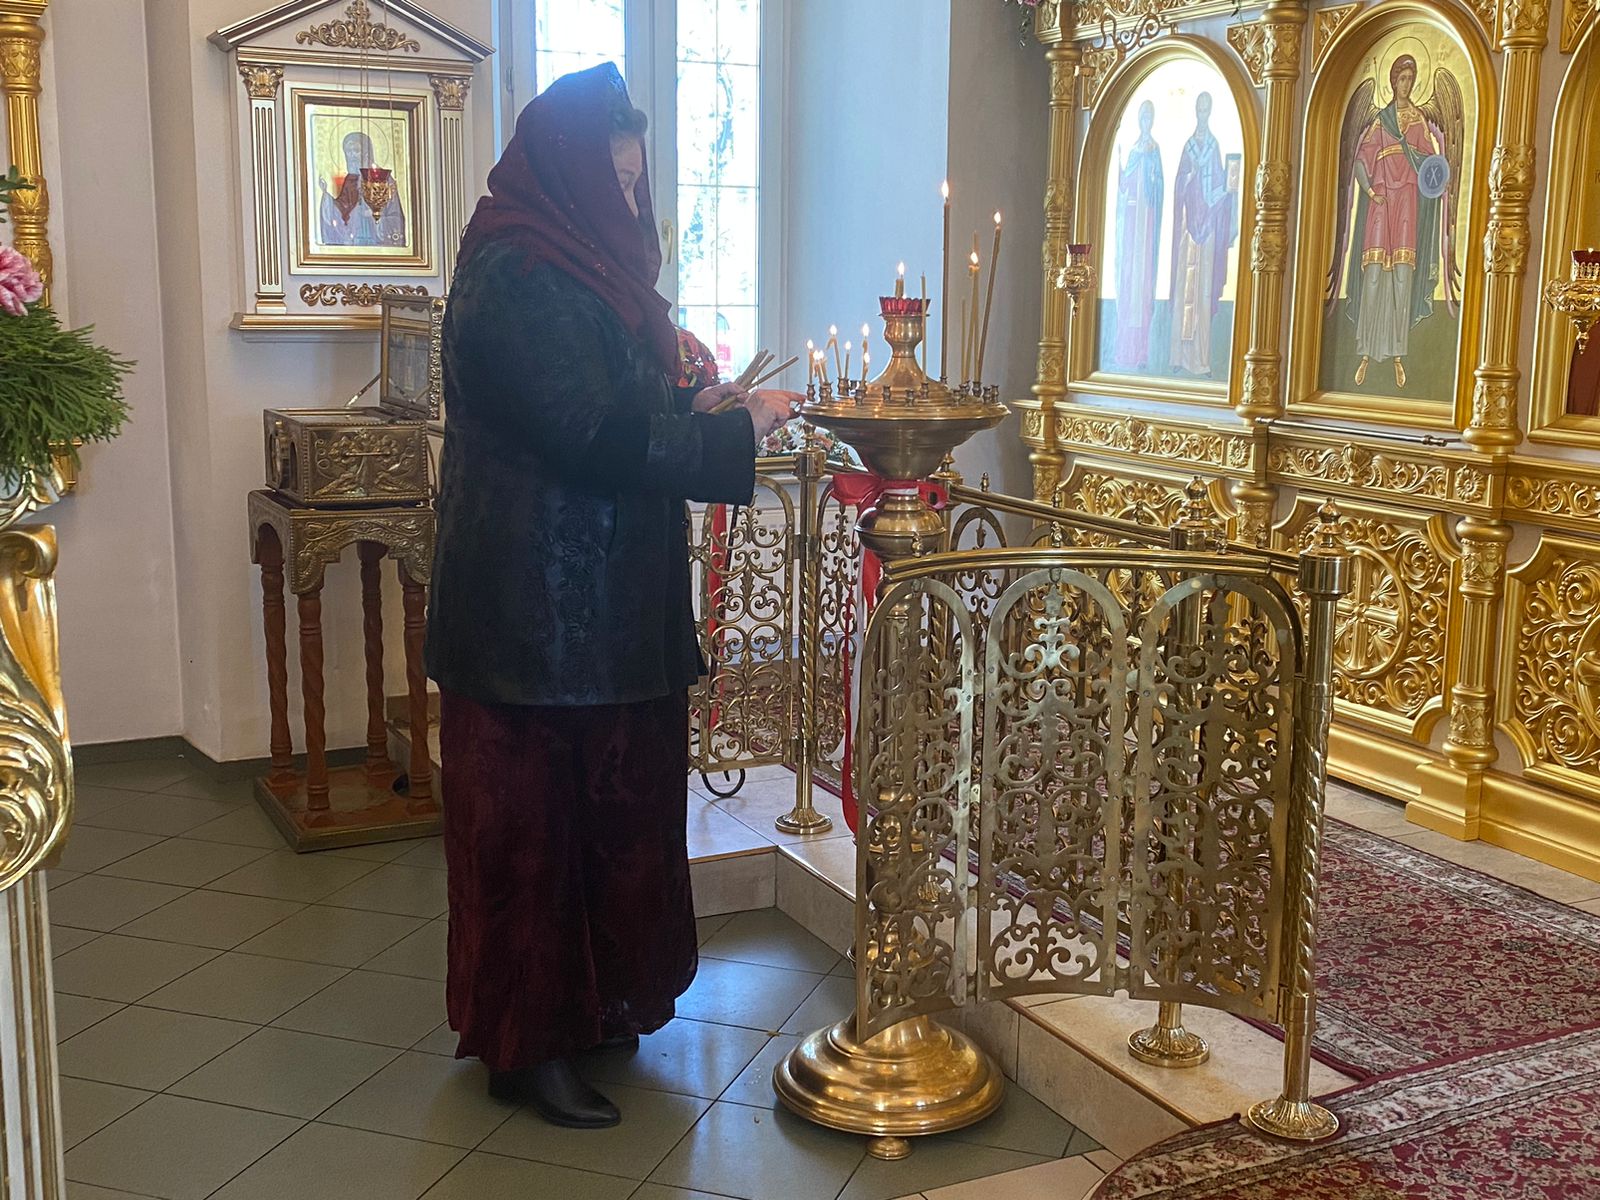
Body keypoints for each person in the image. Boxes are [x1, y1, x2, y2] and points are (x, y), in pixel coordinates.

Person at [424, 63, 797, 1130]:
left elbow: (613, 400)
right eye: (618, 184)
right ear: (569, 177)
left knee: (607, 819)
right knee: (530, 836)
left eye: (639, 186)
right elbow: (586, 433)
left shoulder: (584, 265)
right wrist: (734, 433)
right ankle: (524, 1045)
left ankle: (590, 1005)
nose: (631, 206)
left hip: (604, 613)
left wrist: (692, 401)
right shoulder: (515, 270)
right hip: (530, 622)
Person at [1167, 92, 1238, 377]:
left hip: (1207, 229)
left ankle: (1201, 360)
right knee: (1184, 287)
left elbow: (1221, 183)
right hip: (1188, 229)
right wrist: (1190, 175)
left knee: (1203, 292)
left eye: (1207, 110)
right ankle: (1178, 357)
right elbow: (1178, 186)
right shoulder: (1188, 147)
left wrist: (1229, 190)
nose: (1203, 115)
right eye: (1200, 109)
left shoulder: (1213, 146)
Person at [1111, 99, 1162, 370]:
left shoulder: (1155, 152)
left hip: (1147, 225)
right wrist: (1120, 167)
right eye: (1142, 118)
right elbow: (1124, 187)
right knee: (1128, 279)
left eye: (1148, 118)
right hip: (1132, 227)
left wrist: (1153, 181)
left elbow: (1160, 189)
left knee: (1142, 286)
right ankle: (1124, 351)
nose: (1145, 123)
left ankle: (1142, 351)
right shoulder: (1133, 152)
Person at [318, 130, 406, 247]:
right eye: (349, 151)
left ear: (366, 153)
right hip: (354, 240)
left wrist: (375, 216)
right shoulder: (350, 180)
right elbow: (342, 209)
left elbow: (395, 217)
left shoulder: (383, 180)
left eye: (356, 150)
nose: (352, 155)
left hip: (377, 243)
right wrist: (326, 196)